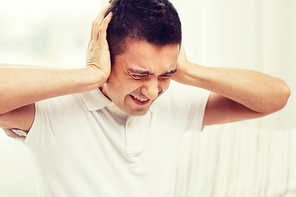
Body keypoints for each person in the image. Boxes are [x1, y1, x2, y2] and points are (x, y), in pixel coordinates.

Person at [0, 0, 290, 196]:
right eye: (139, 74)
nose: (152, 92)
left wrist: (187, 72)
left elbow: (276, 97)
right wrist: (90, 75)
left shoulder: (176, 104)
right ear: (106, 57)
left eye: (165, 75)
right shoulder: (53, 110)